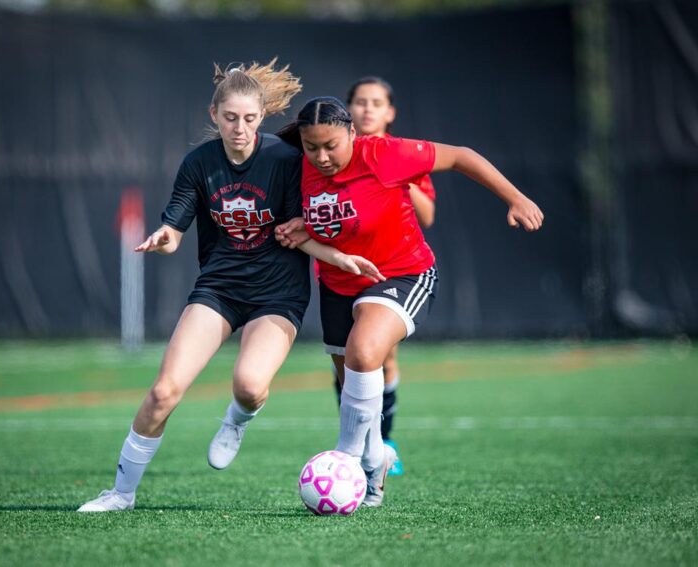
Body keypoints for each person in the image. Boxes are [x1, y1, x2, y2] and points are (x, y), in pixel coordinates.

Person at [78, 62, 382, 512]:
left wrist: (339, 257)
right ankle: (120, 494)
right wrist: (166, 238)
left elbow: (303, 229)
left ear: (261, 118)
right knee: (164, 391)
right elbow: (176, 225)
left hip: (278, 295)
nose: (239, 128)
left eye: (249, 119)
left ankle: (236, 420)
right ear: (214, 114)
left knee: (249, 386)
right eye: (230, 118)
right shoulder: (198, 163)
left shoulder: (284, 160)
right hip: (219, 289)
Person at [276, 96, 543, 507]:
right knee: (350, 382)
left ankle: (347, 460)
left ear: (351, 132)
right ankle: (375, 457)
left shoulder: (382, 154)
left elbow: (461, 156)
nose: (322, 156)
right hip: (336, 282)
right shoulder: (299, 164)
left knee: (364, 352)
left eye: (331, 145)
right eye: (313, 148)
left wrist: (515, 197)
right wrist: (300, 224)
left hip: (403, 273)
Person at [337, 76, 438, 476]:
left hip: (389, 270)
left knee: (378, 353)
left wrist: (396, 176)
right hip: (341, 268)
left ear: (389, 112)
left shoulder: (401, 156)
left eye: (376, 102)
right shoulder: (331, 155)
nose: (367, 109)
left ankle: (383, 439)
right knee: (345, 358)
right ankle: (356, 440)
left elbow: (427, 215)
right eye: (360, 102)